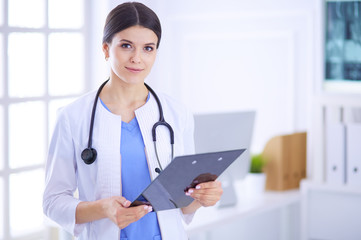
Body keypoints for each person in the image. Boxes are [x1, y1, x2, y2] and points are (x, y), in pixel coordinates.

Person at [43, 2, 223, 240]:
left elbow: (183, 204)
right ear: (106, 49)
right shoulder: (73, 117)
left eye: (148, 48)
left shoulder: (176, 114)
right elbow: (52, 202)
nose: (137, 58)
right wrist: (103, 209)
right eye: (126, 46)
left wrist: (202, 197)